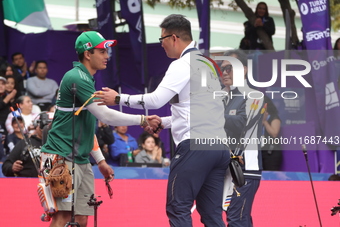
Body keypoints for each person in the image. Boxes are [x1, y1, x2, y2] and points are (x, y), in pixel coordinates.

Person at [94, 14, 230, 227]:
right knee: (212, 214)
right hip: (219, 148)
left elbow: (156, 100)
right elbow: (202, 111)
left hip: (195, 147)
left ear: (174, 38)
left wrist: (119, 98)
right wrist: (163, 122)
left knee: (178, 207)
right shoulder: (210, 65)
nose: (161, 45)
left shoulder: (182, 64)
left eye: (162, 39)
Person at [39, 31, 161, 227]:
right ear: (88, 53)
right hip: (61, 157)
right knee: (62, 217)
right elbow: (106, 115)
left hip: (79, 159)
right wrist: (142, 119)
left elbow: (87, 128)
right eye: (103, 51)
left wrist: (101, 162)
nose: (107, 55)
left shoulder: (86, 78)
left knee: (81, 219)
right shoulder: (77, 78)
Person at [221, 49, 264, 227]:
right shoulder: (221, 97)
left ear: (244, 70)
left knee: (237, 218)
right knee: (239, 217)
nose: (224, 72)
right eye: (222, 68)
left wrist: (216, 115)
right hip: (225, 166)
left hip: (245, 167)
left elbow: (244, 126)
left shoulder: (254, 95)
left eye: (229, 68)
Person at [261, 96, 282, 171]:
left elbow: (274, 133)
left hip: (271, 152)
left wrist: (264, 121)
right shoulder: (256, 119)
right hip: (260, 151)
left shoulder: (273, 117)